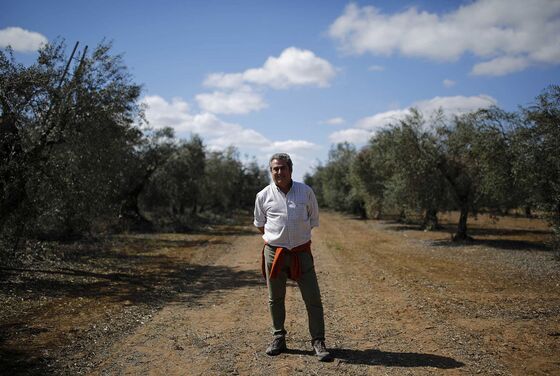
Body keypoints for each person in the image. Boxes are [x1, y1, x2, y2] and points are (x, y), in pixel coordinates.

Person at [253, 153, 331, 362]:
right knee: (275, 298)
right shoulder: (263, 196)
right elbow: (260, 224)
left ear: (290, 169)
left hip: (301, 253)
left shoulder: (305, 192)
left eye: (282, 168)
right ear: (271, 172)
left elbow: (313, 220)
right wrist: (275, 238)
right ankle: (279, 338)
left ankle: (318, 341)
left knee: (313, 298)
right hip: (275, 254)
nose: (279, 172)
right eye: (275, 169)